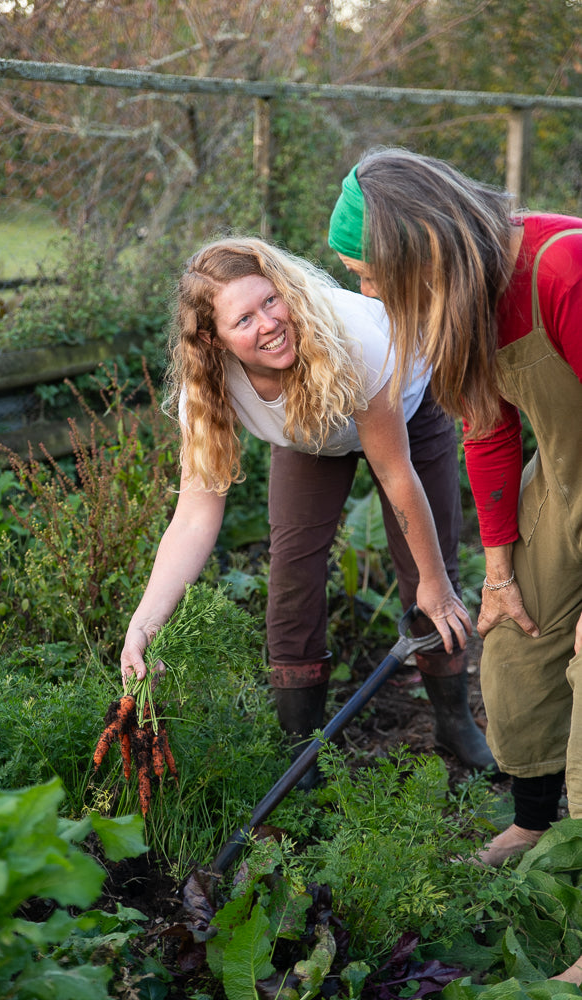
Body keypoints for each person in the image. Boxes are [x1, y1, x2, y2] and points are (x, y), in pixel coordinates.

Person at [328, 147, 582, 982]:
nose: (367, 295)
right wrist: (501, 571)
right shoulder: (460, 301)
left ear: (419, 251)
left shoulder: (560, 266)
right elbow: (488, 428)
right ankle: (537, 822)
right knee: (514, 639)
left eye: (370, 276)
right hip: (569, 479)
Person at [121, 235, 496, 791]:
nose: (268, 323)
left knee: (427, 572)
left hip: (406, 411)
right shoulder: (208, 389)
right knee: (292, 571)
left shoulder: (354, 339)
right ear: (213, 339)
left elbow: (396, 475)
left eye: (271, 301)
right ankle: (302, 751)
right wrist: (144, 621)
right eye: (242, 319)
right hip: (308, 434)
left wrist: (436, 585)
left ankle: (453, 720)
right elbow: (197, 514)